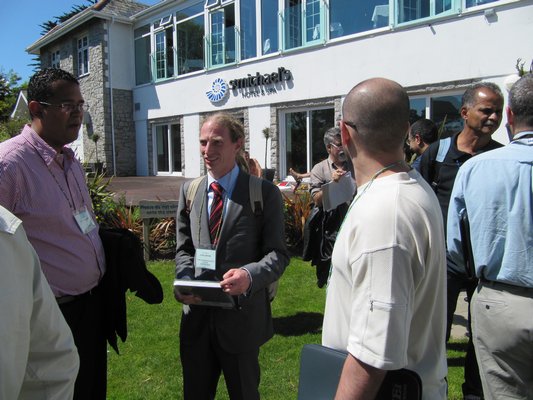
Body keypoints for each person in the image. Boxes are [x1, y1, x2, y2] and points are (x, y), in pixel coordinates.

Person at [322, 78, 447, 399]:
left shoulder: (384, 213)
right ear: (406, 130)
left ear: (344, 134)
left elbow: (373, 353)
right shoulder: (410, 186)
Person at [0, 68, 107, 399]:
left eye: (80, 104)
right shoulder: (9, 165)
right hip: (51, 317)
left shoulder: (69, 160)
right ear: (36, 109)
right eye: (66, 105)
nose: (77, 113)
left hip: (91, 307)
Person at [174, 112, 289, 400]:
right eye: (203, 142)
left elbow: (278, 254)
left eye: (216, 142)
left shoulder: (263, 193)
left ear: (237, 144)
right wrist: (185, 279)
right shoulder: (190, 191)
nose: (207, 150)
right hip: (197, 322)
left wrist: (249, 276)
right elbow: (184, 248)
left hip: (242, 322)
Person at [447, 74, 533, 399]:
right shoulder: (461, 161)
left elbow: (455, 246)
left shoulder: (475, 169)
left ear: (509, 115)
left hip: (499, 300)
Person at [419, 81, 504, 400]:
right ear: (465, 112)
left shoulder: (500, 157)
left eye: (498, 111)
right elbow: (417, 197)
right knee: (434, 336)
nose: (493, 117)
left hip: (486, 265)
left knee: (482, 342)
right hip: (444, 264)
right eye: (487, 110)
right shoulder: (437, 153)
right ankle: (429, 389)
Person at [0, 205, 79, 399]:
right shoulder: (15, 183)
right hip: (60, 300)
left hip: (84, 301)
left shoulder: (8, 230)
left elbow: (54, 364)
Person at [305, 127, 354, 288]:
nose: (343, 148)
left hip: (354, 225)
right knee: (332, 278)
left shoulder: (354, 165)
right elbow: (317, 200)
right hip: (331, 231)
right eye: (339, 145)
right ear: (328, 148)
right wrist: (333, 184)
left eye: (344, 144)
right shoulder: (319, 169)